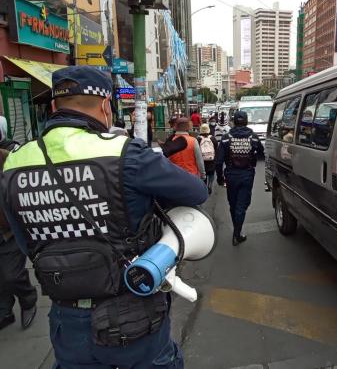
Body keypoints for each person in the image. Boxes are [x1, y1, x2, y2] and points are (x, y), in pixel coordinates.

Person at [1, 66, 208, 368]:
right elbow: (195, 192)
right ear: (105, 107)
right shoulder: (125, 152)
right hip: (134, 314)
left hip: (67, 320)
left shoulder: (14, 163)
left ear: (55, 107)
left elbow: (24, 242)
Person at [0, 120, 37, 331]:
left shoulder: (9, 156)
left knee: (12, 274)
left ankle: (28, 298)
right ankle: (4, 311)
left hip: (8, 229)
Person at [216, 111, 264, 246]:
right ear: (247, 121)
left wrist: (220, 178)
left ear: (234, 121)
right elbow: (261, 153)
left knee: (233, 204)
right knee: (242, 205)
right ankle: (237, 234)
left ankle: (237, 231)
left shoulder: (226, 138)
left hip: (230, 176)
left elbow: (218, 161)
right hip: (247, 175)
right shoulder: (253, 137)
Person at [198, 123, 219, 195]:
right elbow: (216, 149)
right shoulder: (212, 138)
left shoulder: (198, 139)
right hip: (211, 160)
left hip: (202, 160)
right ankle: (210, 185)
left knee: (203, 174)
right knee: (211, 173)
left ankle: (204, 187)